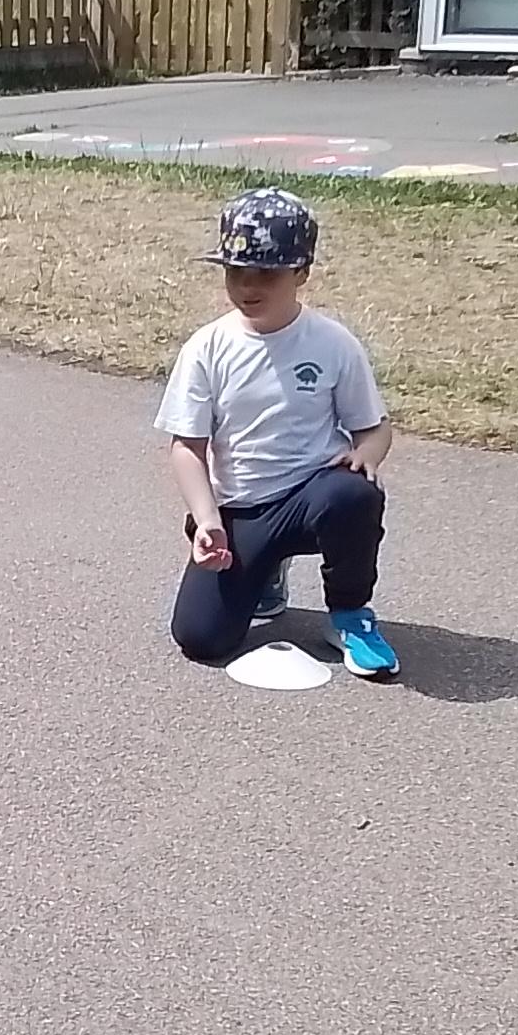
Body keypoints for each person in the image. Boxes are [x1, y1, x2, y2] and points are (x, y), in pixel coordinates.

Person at [156, 187, 400, 677]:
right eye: (235, 272)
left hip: (311, 496)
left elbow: (374, 428)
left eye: (266, 274)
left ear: (301, 273)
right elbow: (187, 447)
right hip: (241, 509)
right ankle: (263, 572)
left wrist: (367, 455)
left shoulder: (333, 344)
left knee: (354, 495)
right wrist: (207, 520)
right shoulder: (207, 347)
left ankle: (350, 614)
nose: (248, 287)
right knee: (200, 638)